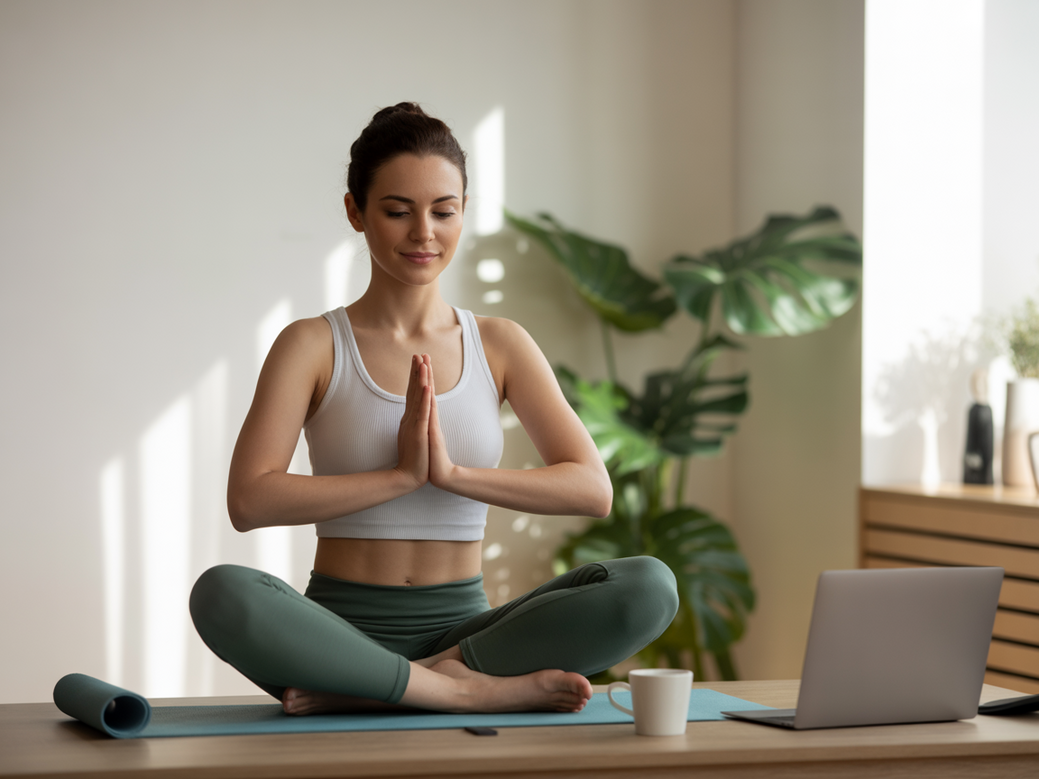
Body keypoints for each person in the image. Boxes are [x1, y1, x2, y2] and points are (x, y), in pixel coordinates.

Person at [189, 103, 679, 716]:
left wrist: (452, 476)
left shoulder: (499, 344)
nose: (424, 233)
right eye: (398, 211)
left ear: (463, 213)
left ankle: (409, 681)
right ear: (356, 212)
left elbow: (591, 489)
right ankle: (452, 693)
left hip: (468, 641)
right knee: (221, 593)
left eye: (443, 211)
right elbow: (249, 501)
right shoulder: (312, 344)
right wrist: (396, 478)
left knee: (649, 586)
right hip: (336, 636)